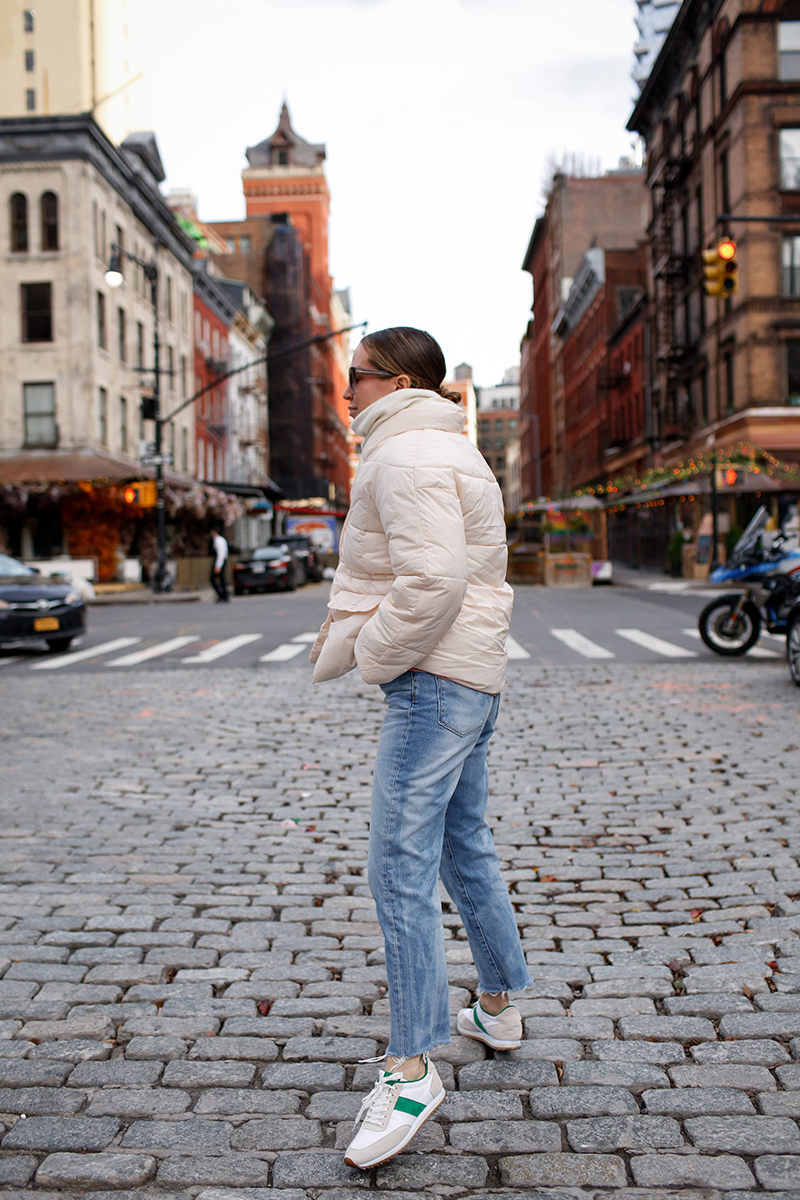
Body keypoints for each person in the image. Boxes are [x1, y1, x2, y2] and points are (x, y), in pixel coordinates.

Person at [310, 327, 531, 1170]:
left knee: (399, 865)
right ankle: (500, 1004)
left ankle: (411, 1070)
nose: (346, 393)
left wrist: (376, 654)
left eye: (355, 378)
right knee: (460, 843)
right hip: (470, 676)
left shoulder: (401, 457)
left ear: (396, 381)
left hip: (436, 679)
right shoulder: (450, 445)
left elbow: (434, 578)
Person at [210, 527, 229, 602]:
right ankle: (223, 594)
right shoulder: (218, 540)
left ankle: (222, 594)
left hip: (220, 561)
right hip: (220, 561)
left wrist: (218, 565)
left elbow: (221, 553)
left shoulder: (219, 541)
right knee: (221, 579)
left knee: (214, 579)